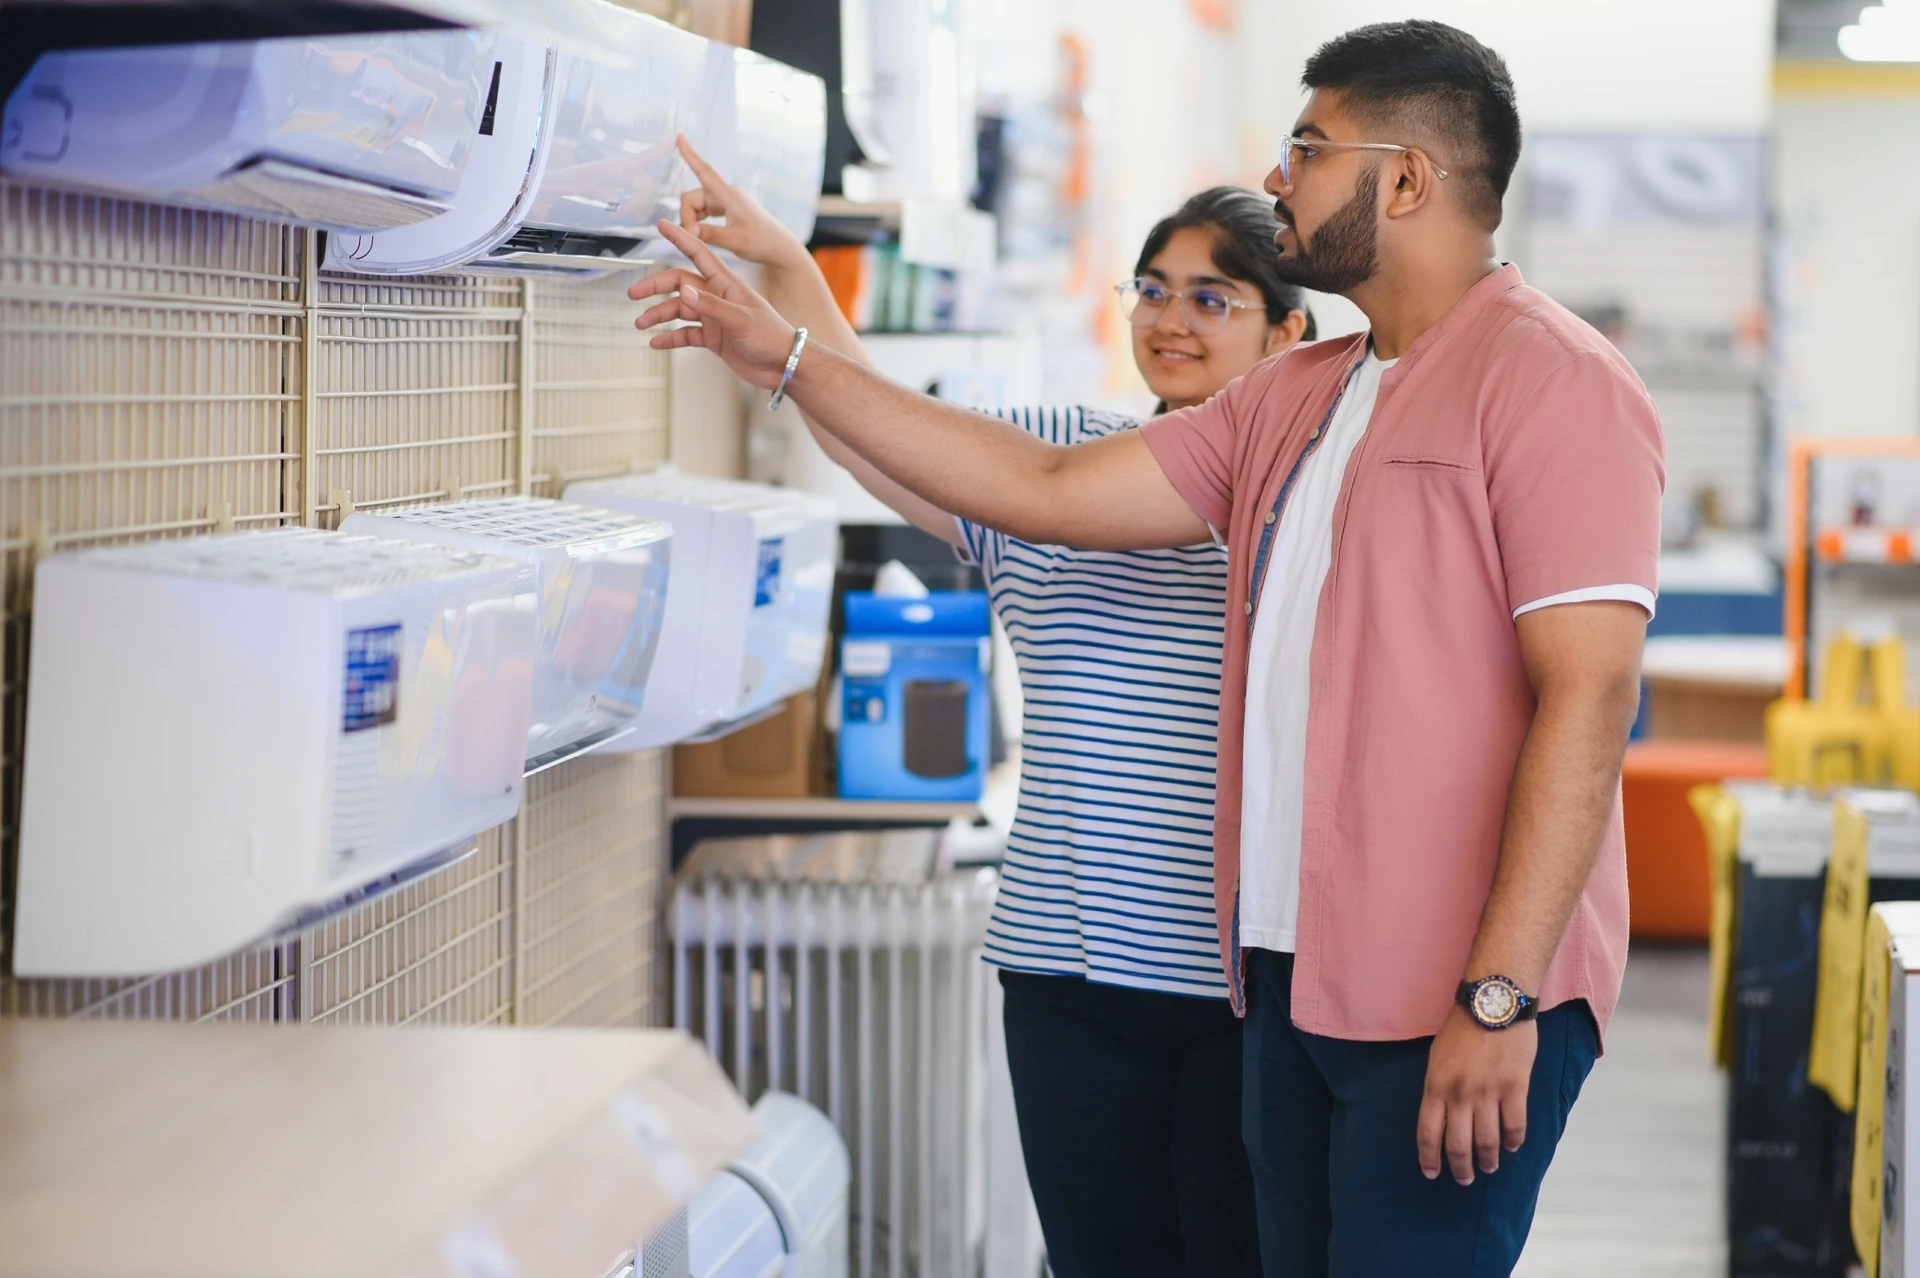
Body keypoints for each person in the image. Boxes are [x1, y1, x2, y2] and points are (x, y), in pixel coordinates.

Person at [633, 20, 1662, 1275]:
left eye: (1309, 149)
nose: (1279, 177)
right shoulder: (1303, 394)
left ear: (1405, 180)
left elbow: (1589, 698)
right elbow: (1049, 487)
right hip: (1287, 988)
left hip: (1454, 994)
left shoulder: (1555, 380)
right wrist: (791, 348)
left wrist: (1501, 996)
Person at [658, 139, 1312, 1277]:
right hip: (1065, 972)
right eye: (1153, 289)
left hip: (1241, 984)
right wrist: (788, 265)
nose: (1171, 319)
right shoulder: (1057, 456)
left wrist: (791, 341)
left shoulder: (1301, 503)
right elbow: (874, 434)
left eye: (1213, 298)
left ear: (1287, 334)